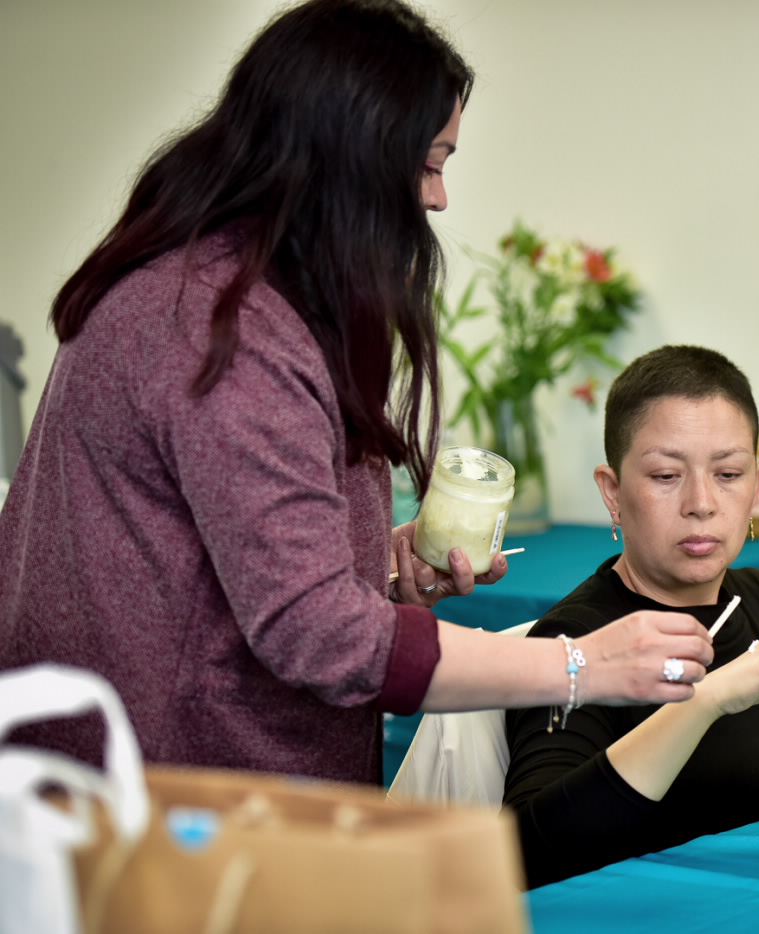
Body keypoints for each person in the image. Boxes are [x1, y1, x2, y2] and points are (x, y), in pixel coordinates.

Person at [0, 0, 713, 786]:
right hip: (180, 800)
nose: (438, 199)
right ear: (352, 162)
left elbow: (218, 550)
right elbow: (318, 634)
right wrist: (581, 666)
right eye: (430, 163)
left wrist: (368, 565)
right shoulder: (219, 331)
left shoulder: (211, 290)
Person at [502, 345, 759, 888]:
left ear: (756, 489)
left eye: (728, 473)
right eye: (666, 475)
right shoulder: (574, 641)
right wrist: (708, 699)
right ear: (613, 492)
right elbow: (529, 854)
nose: (701, 502)